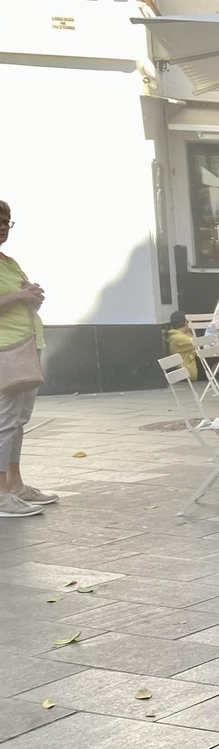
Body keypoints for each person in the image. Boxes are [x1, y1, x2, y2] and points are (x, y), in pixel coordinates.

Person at [0, 199, 56, 518]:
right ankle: (0, 494)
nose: (3, 227)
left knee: (18, 421)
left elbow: (17, 299)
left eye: (7, 221)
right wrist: (20, 296)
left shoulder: (7, 260)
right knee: (4, 422)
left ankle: (15, 484)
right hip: (4, 349)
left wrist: (31, 297)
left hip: (25, 344)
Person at [166, 309, 200, 379]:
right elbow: (199, 343)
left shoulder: (180, 335)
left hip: (192, 365)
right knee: (216, 349)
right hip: (191, 370)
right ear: (185, 322)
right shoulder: (178, 338)